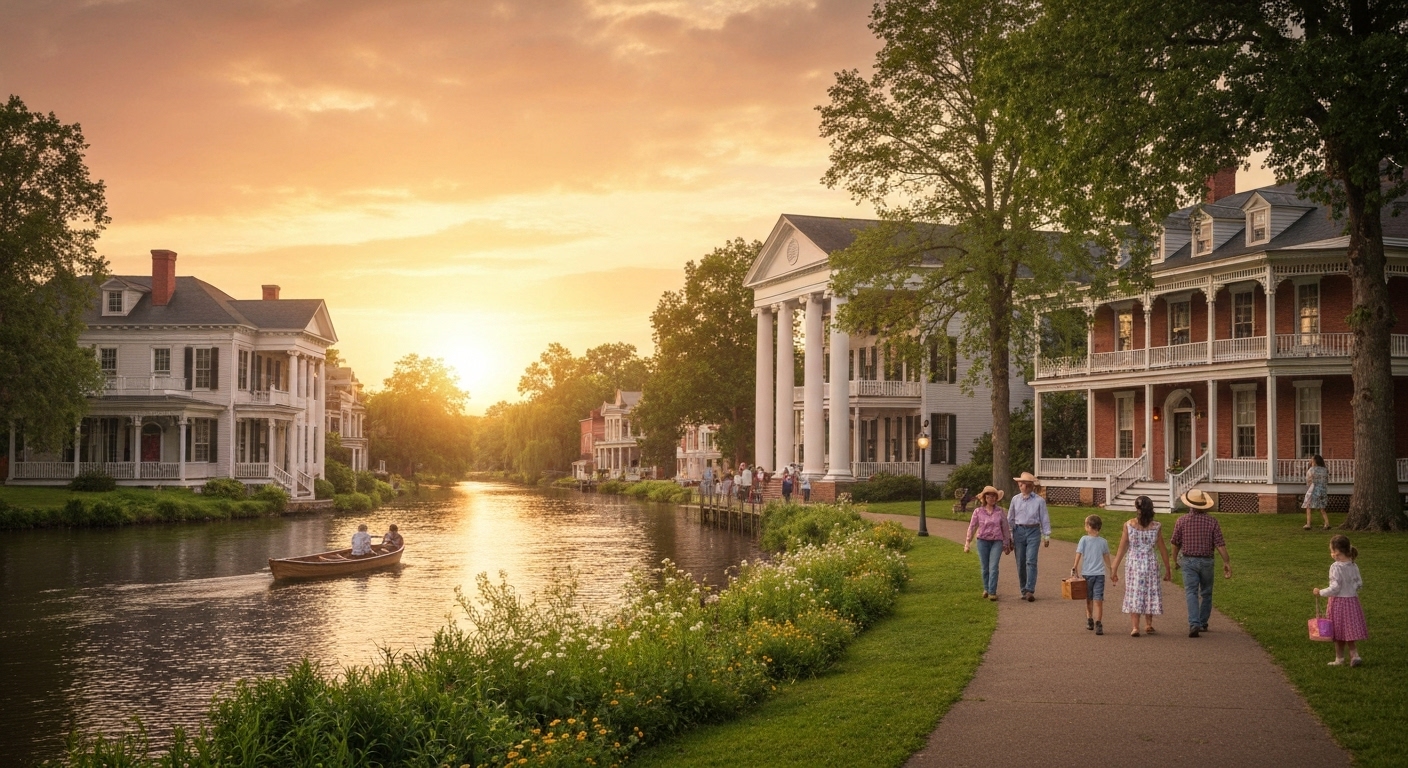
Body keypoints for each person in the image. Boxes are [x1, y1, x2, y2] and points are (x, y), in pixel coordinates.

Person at [1172, 488, 1232, 638]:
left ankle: (1194, 623)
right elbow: (1220, 544)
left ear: (1190, 505)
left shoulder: (1182, 521)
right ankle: (1203, 621)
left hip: (1188, 560)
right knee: (1206, 592)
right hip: (1207, 561)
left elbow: (1175, 542)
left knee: (1191, 592)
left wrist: (1174, 559)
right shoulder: (1212, 522)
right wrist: (1226, 561)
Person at [1112, 496, 1172, 637]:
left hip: (1134, 563)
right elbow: (1162, 549)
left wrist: (1114, 568)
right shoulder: (1156, 527)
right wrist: (1168, 569)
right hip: (1150, 562)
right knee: (1150, 591)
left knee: (1135, 592)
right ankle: (1149, 624)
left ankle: (1135, 627)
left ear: (1137, 508)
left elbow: (1122, 548)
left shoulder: (1129, 525)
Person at [1314, 534, 1367, 666]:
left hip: (1338, 603)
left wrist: (1320, 592)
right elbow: (1359, 583)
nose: (1331, 554)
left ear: (1337, 552)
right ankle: (1354, 655)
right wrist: (1351, 589)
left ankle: (1339, 658)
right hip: (1352, 602)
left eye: (1332, 551)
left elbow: (1335, 587)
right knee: (1349, 630)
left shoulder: (1336, 567)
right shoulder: (1353, 565)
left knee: (1337, 631)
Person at [1007, 472, 1051, 602]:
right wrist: (1009, 535)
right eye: (1021, 484)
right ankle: (1023, 589)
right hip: (1018, 531)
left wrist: (1046, 535)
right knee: (1020, 561)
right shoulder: (1015, 499)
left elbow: (1044, 518)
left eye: (1026, 484)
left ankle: (1030, 590)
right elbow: (1010, 518)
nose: (1023, 486)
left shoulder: (1039, 501)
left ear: (1031, 486)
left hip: (1033, 531)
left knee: (1031, 560)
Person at [963, 486, 1012, 601]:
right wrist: (967, 542)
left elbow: (1005, 528)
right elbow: (972, 527)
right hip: (982, 541)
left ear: (996, 498)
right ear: (985, 498)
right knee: (985, 567)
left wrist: (1007, 544)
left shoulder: (1000, 512)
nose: (991, 498)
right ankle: (986, 588)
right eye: (989, 496)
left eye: (994, 496)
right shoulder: (978, 511)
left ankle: (992, 592)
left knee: (993, 567)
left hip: (997, 541)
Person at [1072, 514, 1117, 635]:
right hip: (1087, 574)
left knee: (1098, 600)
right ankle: (1089, 618)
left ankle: (1098, 622)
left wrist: (1110, 570)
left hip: (1099, 575)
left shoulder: (1103, 542)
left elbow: (1106, 556)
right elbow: (1079, 553)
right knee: (1089, 599)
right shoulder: (1084, 540)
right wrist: (1075, 566)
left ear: (1089, 526)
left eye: (1085, 524)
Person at [1304, 454, 1330, 530]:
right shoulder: (1325, 470)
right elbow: (1326, 480)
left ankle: (1308, 524)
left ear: (1314, 461)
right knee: (1322, 508)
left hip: (1313, 489)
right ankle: (1327, 523)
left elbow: (1308, 481)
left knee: (1308, 506)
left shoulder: (1311, 470)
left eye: (1312, 460)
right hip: (1322, 490)